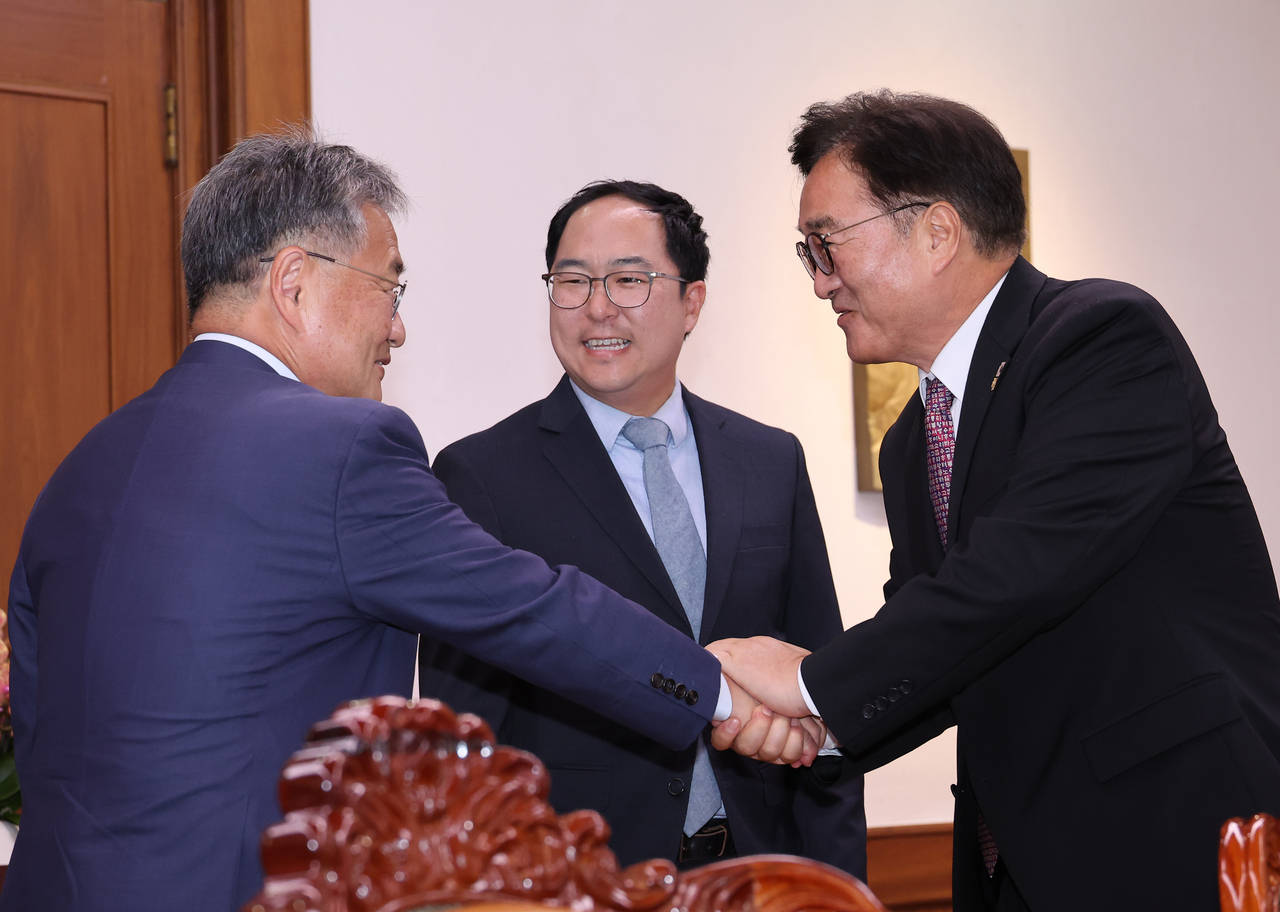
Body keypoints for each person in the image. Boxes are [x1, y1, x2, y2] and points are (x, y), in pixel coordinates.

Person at [2, 132, 802, 912]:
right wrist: (720, 694)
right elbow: (531, 606)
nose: (397, 326)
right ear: (293, 282)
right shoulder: (338, 446)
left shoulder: (85, 463)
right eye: (389, 286)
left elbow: (42, 740)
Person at [710, 91, 1280, 912]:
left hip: (1179, 836)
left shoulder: (1101, 338)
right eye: (809, 254)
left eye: (826, 246)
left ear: (937, 231)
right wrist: (820, 728)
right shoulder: (912, 438)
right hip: (1018, 862)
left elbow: (1019, 573)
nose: (819, 282)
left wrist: (807, 685)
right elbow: (941, 641)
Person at [419, 181, 866, 876]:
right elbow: (466, 740)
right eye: (571, 281)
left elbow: (823, 686)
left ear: (692, 303)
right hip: (581, 882)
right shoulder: (482, 477)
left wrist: (837, 887)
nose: (597, 306)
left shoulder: (770, 460)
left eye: (629, 279)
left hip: (762, 874)